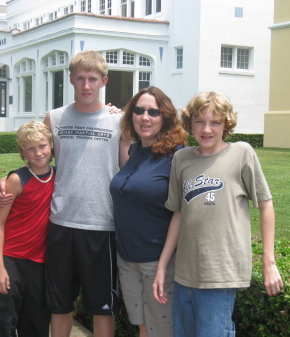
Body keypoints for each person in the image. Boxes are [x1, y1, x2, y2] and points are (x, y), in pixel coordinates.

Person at [0, 50, 132, 337]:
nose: (86, 85)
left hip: (101, 225)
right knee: (59, 305)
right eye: (80, 78)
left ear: (103, 81)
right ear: (70, 79)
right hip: (60, 225)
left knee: (102, 307)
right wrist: (5, 181)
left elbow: (130, 168)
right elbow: (35, 157)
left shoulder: (117, 121)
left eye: (93, 79)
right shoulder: (54, 118)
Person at [153, 91, 284, 337]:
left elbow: (266, 204)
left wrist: (269, 263)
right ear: (190, 123)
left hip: (220, 275)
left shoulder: (242, 153)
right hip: (184, 275)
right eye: (200, 121)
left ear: (226, 125)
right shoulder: (182, 159)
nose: (207, 129)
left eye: (215, 122)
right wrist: (162, 266)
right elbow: (178, 215)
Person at [109, 86, 188, 337]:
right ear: (131, 115)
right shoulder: (134, 151)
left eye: (153, 112)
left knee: (161, 331)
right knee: (143, 327)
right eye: (139, 110)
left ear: (165, 117)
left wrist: (163, 265)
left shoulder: (177, 157)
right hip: (127, 259)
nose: (145, 117)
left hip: (157, 262)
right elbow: (132, 185)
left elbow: (182, 212)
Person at [0, 121, 55, 337]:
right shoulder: (17, 179)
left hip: (39, 264)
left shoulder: (59, 176)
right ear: (23, 152)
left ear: (52, 145)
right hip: (11, 260)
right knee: (7, 322)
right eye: (30, 148)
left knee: (37, 324)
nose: (38, 153)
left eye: (42, 146)